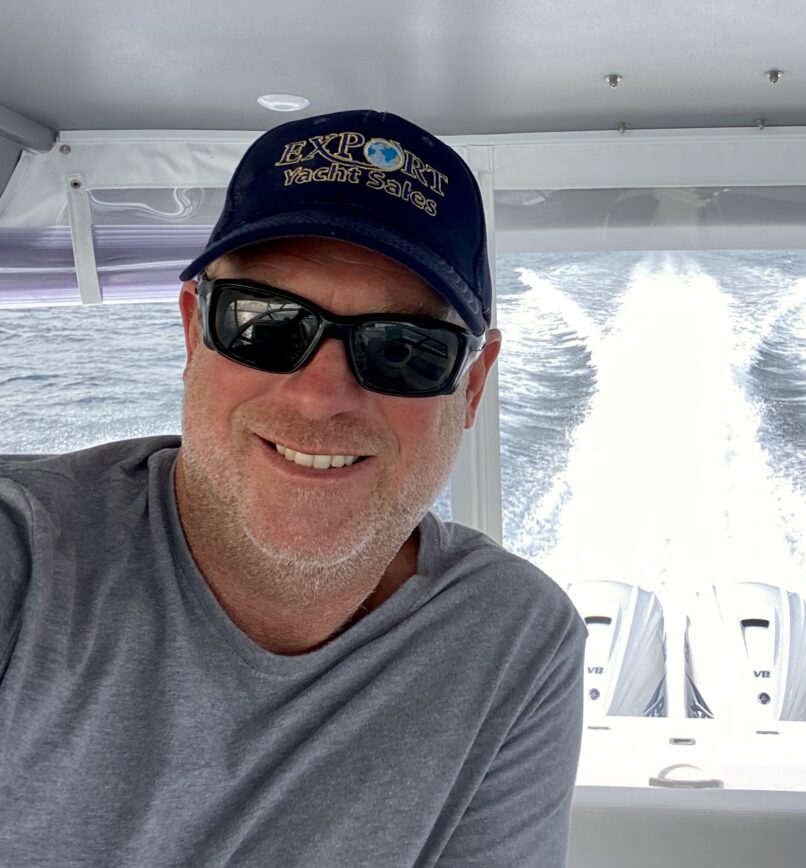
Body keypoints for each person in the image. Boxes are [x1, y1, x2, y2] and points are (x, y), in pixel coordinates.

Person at [0, 110, 585, 866]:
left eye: (403, 349)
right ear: (193, 331)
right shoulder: (25, 557)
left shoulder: (514, 640)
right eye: (265, 323)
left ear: (471, 388)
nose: (320, 397)